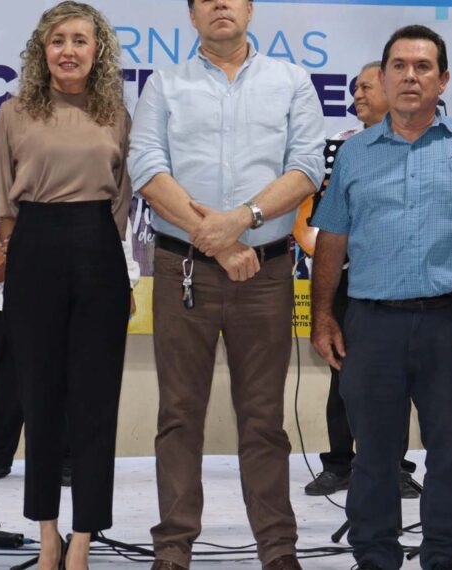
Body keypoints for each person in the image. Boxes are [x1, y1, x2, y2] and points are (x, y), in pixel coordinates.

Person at [128, 0, 324, 567]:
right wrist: (213, 237)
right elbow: (145, 166)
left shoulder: (291, 80)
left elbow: (307, 165)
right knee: (179, 415)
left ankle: (277, 549)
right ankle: (172, 548)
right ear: (191, 16)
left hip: (264, 272)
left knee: (263, 418)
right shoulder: (165, 82)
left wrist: (241, 221)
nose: (221, 5)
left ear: (248, 9)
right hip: (181, 267)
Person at [311, 25, 452, 570]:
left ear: (442, 79)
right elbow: (331, 239)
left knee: (451, 454)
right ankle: (375, 558)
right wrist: (324, 315)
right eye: (398, 65)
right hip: (371, 325)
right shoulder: (353, 156)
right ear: (383, 75)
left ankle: (446, 557)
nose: (410, 76)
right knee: (373, 456)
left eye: (423, 67)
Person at [0, 3, 132, 568]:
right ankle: (47, 534)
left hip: (98, 249)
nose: (68, 50)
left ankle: (83, 539)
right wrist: (20, 245)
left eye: (80, 40)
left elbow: (122, 197)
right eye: (58, 40)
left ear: (97, 51)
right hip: (34, 247)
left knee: (95, 403)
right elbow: (0, 195)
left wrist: (96, 244)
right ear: (41, 49)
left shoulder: (115, 113)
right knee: (39, 396)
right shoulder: (15, 111)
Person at [306, 61, 419, 500]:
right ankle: (339, 463)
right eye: (354, 90)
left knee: (403, 379)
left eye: (366, 88)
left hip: (402, 280)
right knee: (345, 375)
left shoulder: (424, 145)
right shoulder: (344, 149)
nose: (357, 96)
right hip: (350, 282)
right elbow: (322, 222)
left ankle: (396, 466)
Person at [0, 219, 140, 487]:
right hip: (5, 295)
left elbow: (116, 228)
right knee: (7, 382)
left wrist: (125, 283)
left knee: (66, 378)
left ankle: (67, 457)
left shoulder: (87, 178)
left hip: (67, 288)